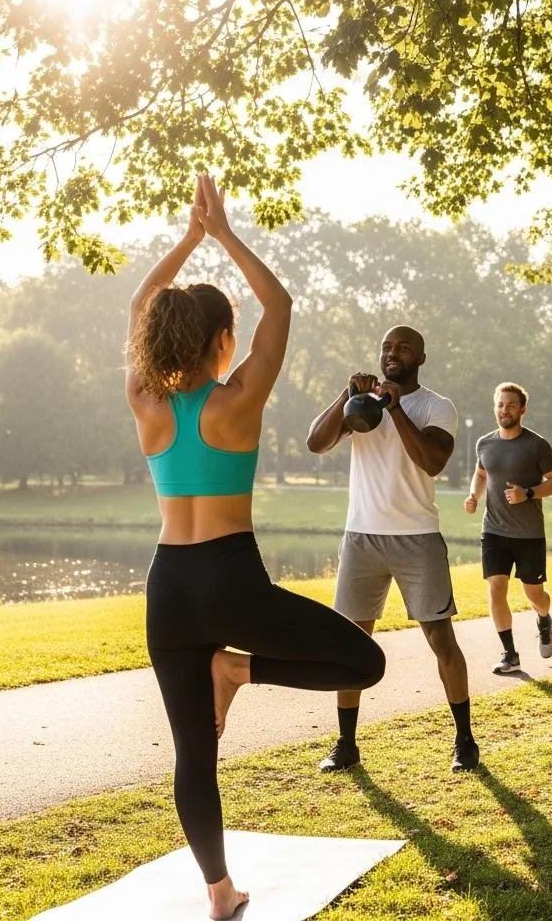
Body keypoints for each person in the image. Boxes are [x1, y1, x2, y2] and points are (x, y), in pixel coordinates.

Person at [126, 175, 385, 921]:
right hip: (230, 580)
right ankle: (238, 668)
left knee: (193, 753)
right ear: (221, 340)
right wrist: (222, 233)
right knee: (364, 664)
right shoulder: (237, 399)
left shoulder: (145, 401)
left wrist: (187, 240)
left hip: (168, 586)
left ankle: (219, 892)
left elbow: (138, 305)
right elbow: (281, 306)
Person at [306, 326, 479, 773]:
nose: (392, 353)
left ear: (421, 357)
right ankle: (346, 745)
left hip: (416, 538)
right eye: (386, 346)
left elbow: (432, 461)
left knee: (441, 639)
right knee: (351, 643)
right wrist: (345, 395)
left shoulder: (436, 406)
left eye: (403, 347)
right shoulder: (359, 405)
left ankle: (464, 740)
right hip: (361, 537)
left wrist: (396, 408)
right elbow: (316, 443)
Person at [465, 382, 552, 674]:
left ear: (523, 409)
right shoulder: (484, 443)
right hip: (493, 530)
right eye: (500, 404)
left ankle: (544, 617)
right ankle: (510, 654)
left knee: (534, 594)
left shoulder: (536, 445)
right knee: (496, 588)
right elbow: (481, 474)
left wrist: (528, 493)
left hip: (529, 533)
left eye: (510, 405)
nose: (504, 410)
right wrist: (473, 495)